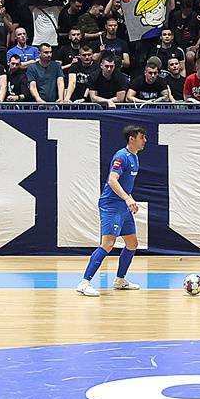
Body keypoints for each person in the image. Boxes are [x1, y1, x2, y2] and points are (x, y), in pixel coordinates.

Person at [79, 124, 146, 297]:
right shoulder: (121, 156)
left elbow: (124, 184)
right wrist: (127, 198)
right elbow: (112, 180)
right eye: (141, 137)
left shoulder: (135, 157)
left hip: (123, 206)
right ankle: (84, 283)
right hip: (111, 205)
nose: (144, 141)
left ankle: (120, 280)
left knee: (132, 244)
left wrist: (130, 199)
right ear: (132, 138)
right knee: (108, 244)